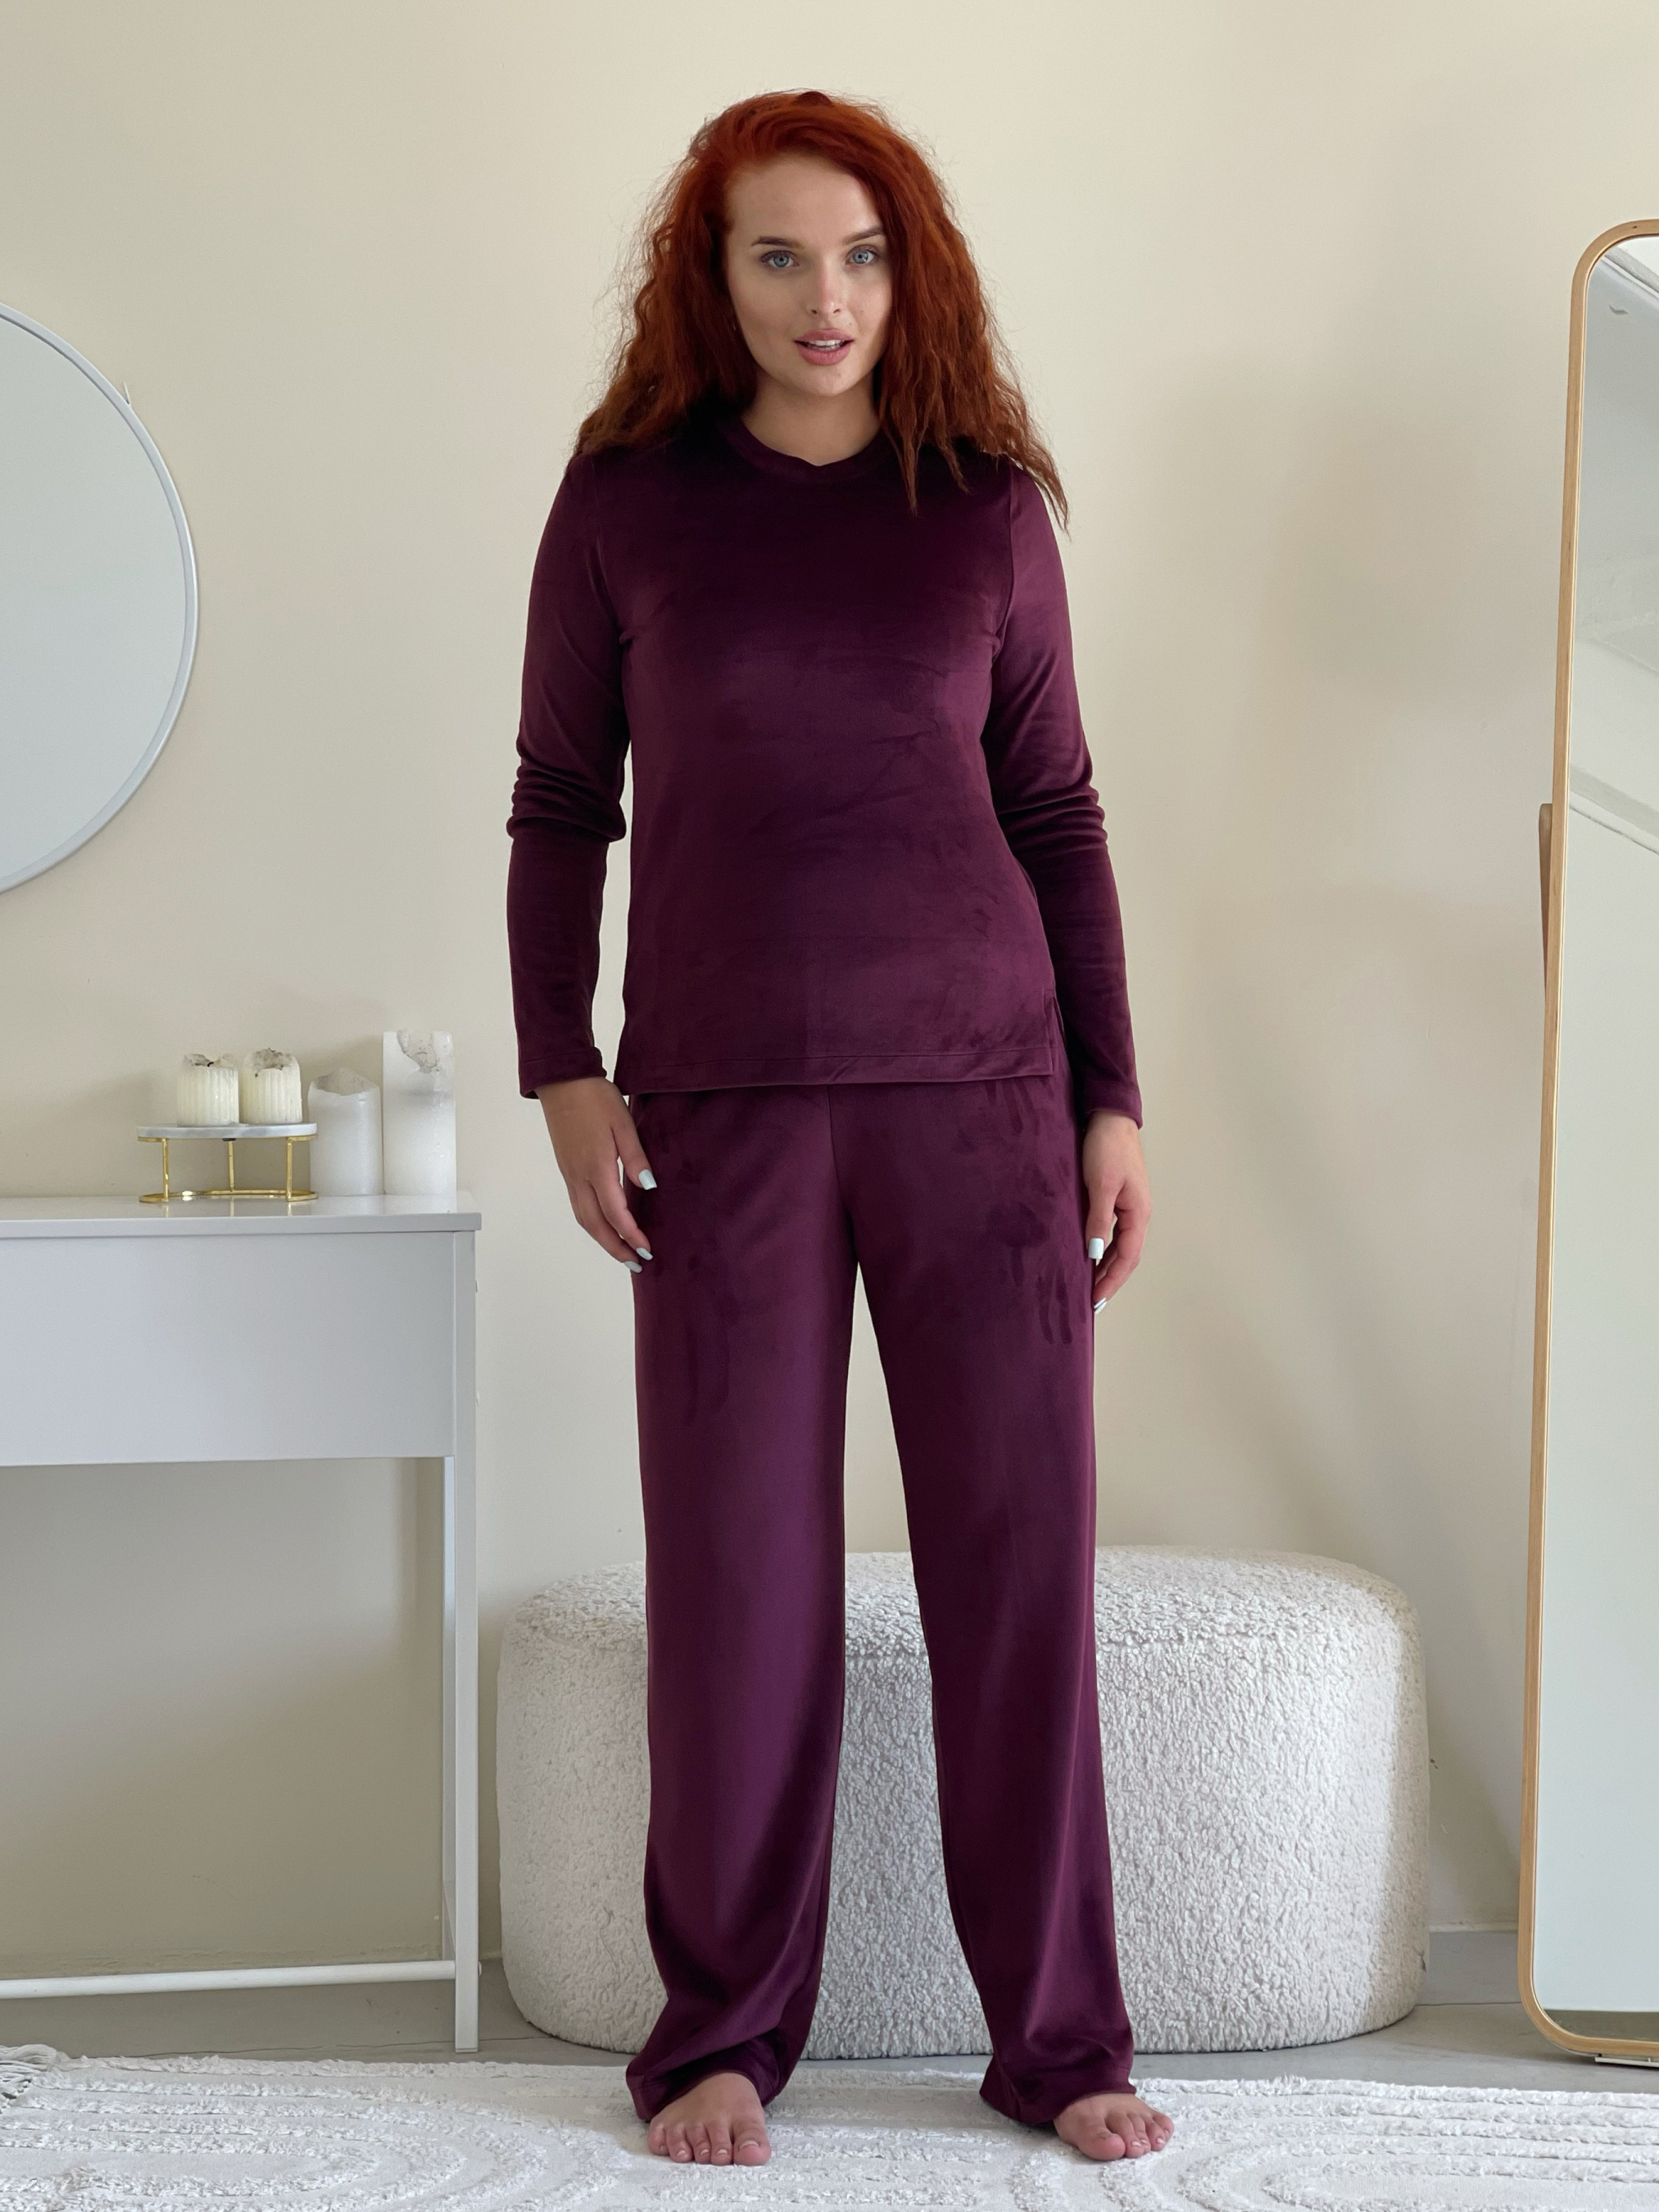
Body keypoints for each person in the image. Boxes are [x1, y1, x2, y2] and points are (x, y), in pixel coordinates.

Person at [505, 88, 1172, 2173]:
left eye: (864, 255)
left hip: (985, 1100)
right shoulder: (624, 503)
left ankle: (1057, 2042)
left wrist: (1110, 1095)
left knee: (1015, 1573)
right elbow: (559, 801)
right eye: (781, 255)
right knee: (737, 1584)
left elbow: (1054, 810)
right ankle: (717, 2034)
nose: (827, 297)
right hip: (717, 1113)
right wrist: (558, 1066)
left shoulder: (982, 509)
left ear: (914, 271)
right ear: (708, 278)